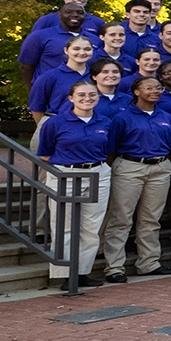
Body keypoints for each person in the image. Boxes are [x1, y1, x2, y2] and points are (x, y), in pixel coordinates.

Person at [35, 80, 115, 287]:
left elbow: (109, 149)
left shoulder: (105, 122)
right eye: (81, 95)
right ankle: (64, 274)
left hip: (98, 172)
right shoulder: (54, 123)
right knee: (65, 225)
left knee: (91, 226)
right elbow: (45, 154)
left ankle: (82, 272)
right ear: (71, 98)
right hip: (66, 174)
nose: (87, 99)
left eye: (92, 95)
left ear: (98, 98)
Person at [102, 76, 171, 282]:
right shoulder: (123, 117)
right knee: (121, 218)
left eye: (158, 88)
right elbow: (112, 148)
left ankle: (149, 262)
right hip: (130, 167)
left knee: (151, 218)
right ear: (136, 91)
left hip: (159, 167)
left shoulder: (166, 117)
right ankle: (114, 267)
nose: (155, 91)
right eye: (149, 88)